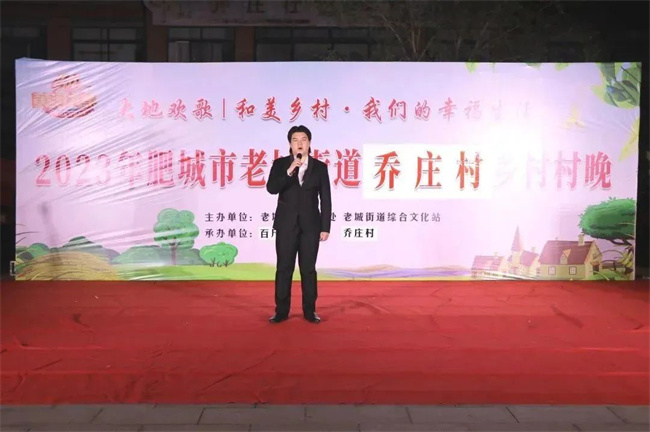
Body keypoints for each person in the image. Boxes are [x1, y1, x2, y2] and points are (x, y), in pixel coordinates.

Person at [266, 125, 332, 324]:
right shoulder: (280, 165)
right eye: (295, 140)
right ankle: (281, 311)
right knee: (284, 268)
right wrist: (289, 171)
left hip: (311, 226)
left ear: (309, 143)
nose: (300, 143)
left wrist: (325, 227)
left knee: (308, 269)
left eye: (304, 139)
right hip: (286, 225)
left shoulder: (319, 167)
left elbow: (326, 199)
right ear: (290, 144)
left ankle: (310, 311)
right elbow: (271, 188)